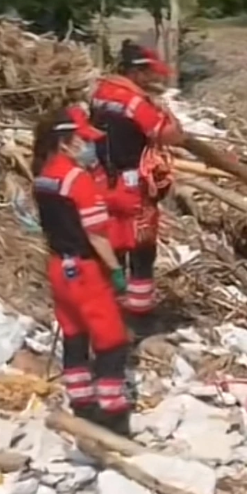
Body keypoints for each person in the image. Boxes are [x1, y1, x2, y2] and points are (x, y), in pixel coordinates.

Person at [32, 105, 132, 435]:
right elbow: (96, 234)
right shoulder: (78, 180)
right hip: (85, 270)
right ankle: (113, 413)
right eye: (81, 139)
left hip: (58, 266)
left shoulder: (44, 176)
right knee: (111, 339)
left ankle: (81, 403)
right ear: (65, 142)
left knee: (74, 336)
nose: (87, 146)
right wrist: (116, 270)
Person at [90, 40, 184, 324]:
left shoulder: (100, 93)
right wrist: (170, 117)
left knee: (113, 245)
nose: (154, 79)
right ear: (137, 72)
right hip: (132, 188)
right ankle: (139, 316)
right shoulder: (134, 103)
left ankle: (110, 308)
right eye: (149, 74)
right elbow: (169, 135)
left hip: (102, 182)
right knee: (142, 250)